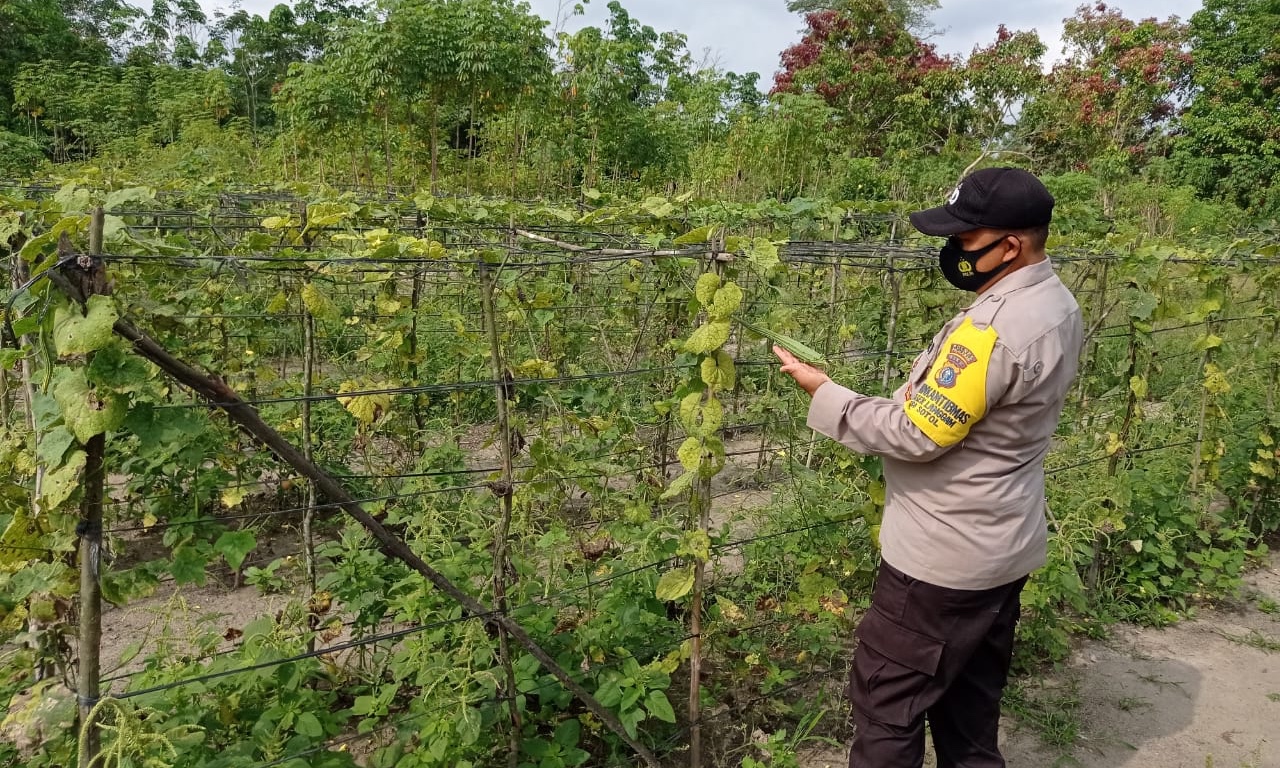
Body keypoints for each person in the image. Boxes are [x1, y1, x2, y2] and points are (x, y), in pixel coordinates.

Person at [773, 167, 1083, 768]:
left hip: (943, 562)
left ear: (1011, 245)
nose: (953, 251)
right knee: (969, 710)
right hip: (1002, 543)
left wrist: (825, 394)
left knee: (889, 704)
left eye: (965, 240)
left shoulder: (992, 329)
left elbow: (919, 433)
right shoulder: (1057, 303)